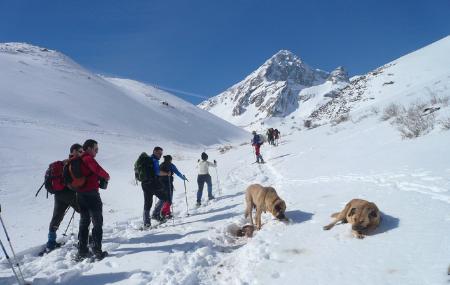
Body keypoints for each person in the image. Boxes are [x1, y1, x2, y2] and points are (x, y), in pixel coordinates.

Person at [76, 139, 110, 260]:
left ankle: (82, 250)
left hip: (80, 194)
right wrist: (107, 176)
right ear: (89, 148)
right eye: (96, 149)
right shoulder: (88, 158)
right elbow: (98, 169)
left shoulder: (79, 159)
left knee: (84, 222)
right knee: (97, 222)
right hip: (91, 195)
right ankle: (97, 250)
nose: (97, 151)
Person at [45, 144, 82, 252]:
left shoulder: (62, 162)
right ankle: (83, 237)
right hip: (70, 193)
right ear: (73, 151)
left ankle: (51, 242)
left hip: (58, 194)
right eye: (80, 151)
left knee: (56, 217)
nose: (81, 153)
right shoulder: (74, 162)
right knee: (85, 211)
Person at [152, 155, 187, 220]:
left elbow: (157, 173)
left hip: (160, 184)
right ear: (170, 159)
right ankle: (163, 213)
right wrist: (183, 178)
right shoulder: (171, 165)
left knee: (164, 198)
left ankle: (166, 212)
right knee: (168, 199)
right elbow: (177, 172)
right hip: (167, 184)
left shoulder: (161, 165)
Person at [142, 147, 170, 227]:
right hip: (153, 184)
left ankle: (146, 223)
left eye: (161, 154)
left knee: (147, 203)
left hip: (145, 184)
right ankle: (155, 214)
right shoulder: (154, 160)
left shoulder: (148, 159)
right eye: (159, 153)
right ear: (154, 151)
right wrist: (166, 174)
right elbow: (158, 172)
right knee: (164, 197)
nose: (160, 155)